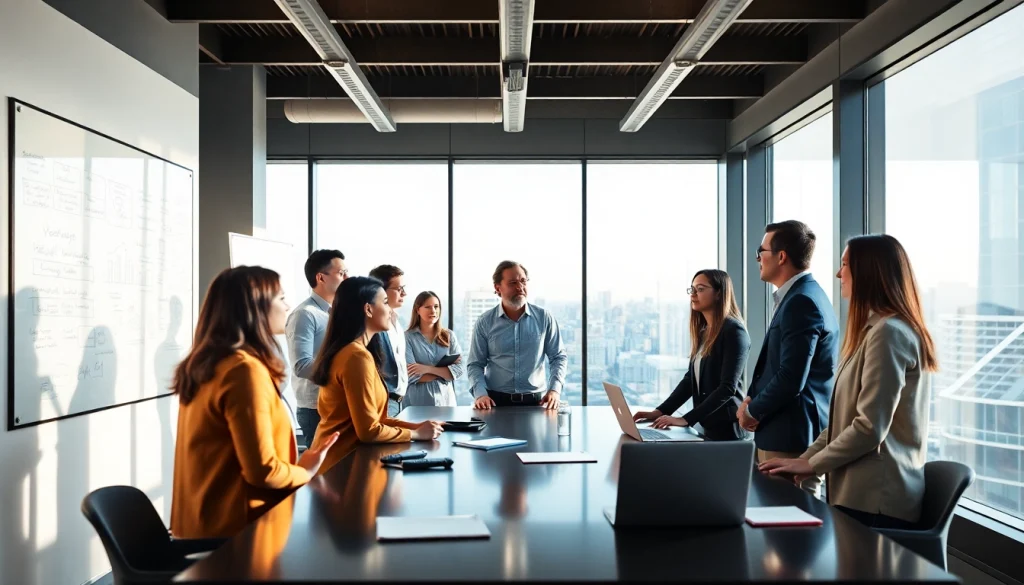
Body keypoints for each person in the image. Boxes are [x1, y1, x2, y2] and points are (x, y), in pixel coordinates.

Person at [760, 235, 938, 529]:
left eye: (845, 265)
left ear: (868, 272)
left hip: (875, 502)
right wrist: (805, 460)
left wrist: (811, 464)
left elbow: (869, 427)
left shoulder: (888, 333)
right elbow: (843, 422)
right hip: (860, 496)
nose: (838, 273)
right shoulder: (873, 331)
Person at [170, 266, 339, 538]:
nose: (287, 307)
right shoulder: (243, 370)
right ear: (256, 308)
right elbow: (263, 471)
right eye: (281, 298)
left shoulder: (208, 365)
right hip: (239, 531)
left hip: (203, 524)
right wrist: (304, 472)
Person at [739, 220, 839, 494]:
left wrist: (751, 411)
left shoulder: (801, 301)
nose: (758, 259)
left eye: (761, 251)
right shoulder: (803, 296)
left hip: (790, 436)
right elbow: (774, 366)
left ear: (781, 256)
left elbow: (791, 377)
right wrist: (750, 399)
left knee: (787, 515)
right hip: (784, 430)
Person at [308, 276, 443, 474]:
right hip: (341, 466)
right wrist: (414, 434)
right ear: (368, 309)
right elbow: (369, 431)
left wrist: (416, 427)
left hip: (346, 462)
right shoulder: (356, 357)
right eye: (385, 302)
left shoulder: (356, 352)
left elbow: (375, 419)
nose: (390, 310)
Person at [633, 269, 751, 441]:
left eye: (700, 289)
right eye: (692, 289)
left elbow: (727, 388)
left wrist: (686, 419)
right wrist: (660, 411)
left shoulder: (734, 331)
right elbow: (690, 381)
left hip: (728, 431)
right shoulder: (704, 332)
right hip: (707, 426)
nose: (693, 294)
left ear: (719, 293)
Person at [467, 260, 568, 410]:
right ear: (498, 288)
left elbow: (558, 357)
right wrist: (480, 394)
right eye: (513, 283)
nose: (520, 287)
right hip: (494, 403)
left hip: (537, 403)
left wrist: (555, 390)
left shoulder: (544, 318)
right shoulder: (485, 322)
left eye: (523, 281)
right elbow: (475, 364)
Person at [286, 249, 348, 447]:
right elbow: (302, 366)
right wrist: (344, 370)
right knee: (326, 465)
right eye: (341, 273)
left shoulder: (336, 312)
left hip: (337, 403)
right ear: (321, 277)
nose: (347, 278)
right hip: (315, 409)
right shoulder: (305, 314)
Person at [404, 291, 464, 406]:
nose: (433, 311)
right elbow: (410, 375)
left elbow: (459, 369)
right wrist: (445, 373)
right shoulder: (407, 338)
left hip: (446, 402)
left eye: (436, 306)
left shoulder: (449, 336)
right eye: (427, 307)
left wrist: (426, 369)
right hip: (418, 402)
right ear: (417, 310)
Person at [368, 265, 409, 418]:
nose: (404, 293)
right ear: (381, 290)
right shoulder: (373, 326)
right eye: (399, 289)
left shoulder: (397, 322)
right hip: (381, 401)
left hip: (399, 402)